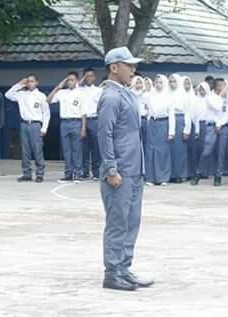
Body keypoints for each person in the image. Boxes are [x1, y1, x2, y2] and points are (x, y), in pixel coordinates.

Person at [98, 46, 153, 291]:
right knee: (118, 222)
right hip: (119, 170)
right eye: (128, 65)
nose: (133, 69)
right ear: (114, 67)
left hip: (134, 167)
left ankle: (124, 268)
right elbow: (104, 134)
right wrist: (111, 168)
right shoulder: (110, 97)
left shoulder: (127, 94)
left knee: (132, 221)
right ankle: (112, 272)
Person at [5, 73, 51, 183]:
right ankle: (27, 173)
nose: (30, 83)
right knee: (25, 150)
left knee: (37, 149)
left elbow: (46, 113)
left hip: (35, 124)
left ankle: (40, 173)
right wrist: (19, 84)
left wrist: (44, 128)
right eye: (28, 81)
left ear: (36, 83)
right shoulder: (22, 94)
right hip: (24, 124)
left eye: (32, 81)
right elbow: (8, 95)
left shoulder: (41, 96)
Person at [48, 71, 84, 183]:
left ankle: (78, 174)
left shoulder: (81, 93)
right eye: (68, 80)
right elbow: (48, 100)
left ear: (77, 81)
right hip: (64, 122)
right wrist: (59, 86)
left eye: (72, 80)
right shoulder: (62, 93)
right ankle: (68, 174)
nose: (70, 82)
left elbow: (84, 112)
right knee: (66, 150)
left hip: (76, 122)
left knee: (76, 149)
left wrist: (83, 128)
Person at [191, 82, 228, 185]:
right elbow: (218, 107)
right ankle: (198, 173)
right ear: (216, 87)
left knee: (221, 152)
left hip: (223, 127)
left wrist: (220, 124)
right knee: (207, 151)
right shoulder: (210, 98)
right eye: (221, 86)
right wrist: (217, 124)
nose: (223, 88)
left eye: (225, 86)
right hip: (211, 127)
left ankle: (218, 175)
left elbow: (227, 114)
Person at [144, 75, 175, 186]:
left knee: (162, 151)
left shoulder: (169, 97)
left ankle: (163, 177)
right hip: (152, 123)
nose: (158, 84)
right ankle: (150, 177)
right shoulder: (150, 96)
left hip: (163, 123)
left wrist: (171, 132)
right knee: (150, 150)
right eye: (156, 82)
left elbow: (172, 115)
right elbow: (147, 110)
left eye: (160, 82)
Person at [168, 74, 193, 183]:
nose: (172, 84)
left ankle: (180, 174)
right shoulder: (166, 94)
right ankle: (171, 174)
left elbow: (188, 113)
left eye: (174, 81)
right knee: (170, 150)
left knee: (180, 151)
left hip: (180, 121)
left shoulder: (184, 95)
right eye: (170, 81)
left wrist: (187, 129)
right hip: (169, 122)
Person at [80, 68, 103, 181]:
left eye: (91, 76)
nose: (89, 78)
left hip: (94, 119)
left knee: (95, 147)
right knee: (84, 148)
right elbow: (75, 86)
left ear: (94, 77)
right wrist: (81, 79)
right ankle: (84, 171)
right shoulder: (79, 90)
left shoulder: (98, 90)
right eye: (86, 76)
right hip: (83, 120)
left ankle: (96, 171)